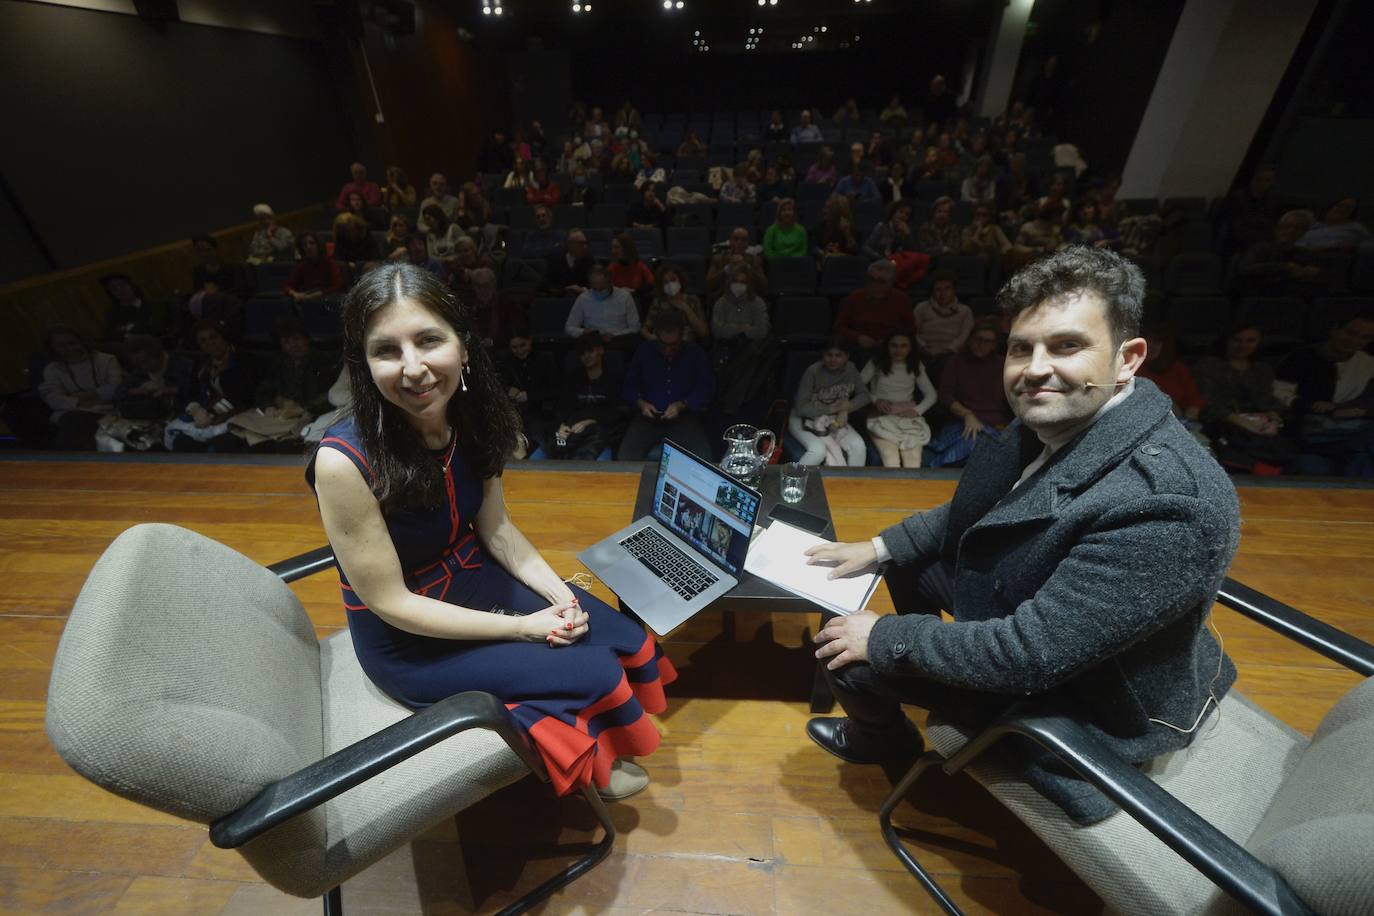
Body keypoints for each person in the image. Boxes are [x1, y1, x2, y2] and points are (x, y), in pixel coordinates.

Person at [802, 247, 1241, 827]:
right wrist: (879, 549)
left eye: (1066, 345)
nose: (1034, 368)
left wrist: (887, 638)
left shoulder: (1165, 503)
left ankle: (886, 739)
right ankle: (940, 673)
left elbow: (1029, 656)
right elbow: (974, 514)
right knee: (904, 564)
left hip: (1090, 701)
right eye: (1020, 348)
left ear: (1129, 358)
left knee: (844, 657)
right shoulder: (1064, 416)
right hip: (1036, 617)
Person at [308, 262, 673, 799]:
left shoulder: (474, 416)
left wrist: (558, 596)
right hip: (408, 640)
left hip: (472, 575)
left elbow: (497, 529)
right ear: (364, 364)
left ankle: (589, 738)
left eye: (429, 340)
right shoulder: (342, 462)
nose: (413, 369)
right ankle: (585, 758)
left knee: (622, 636)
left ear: (464, 346)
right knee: (591, 669)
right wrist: (525, 628)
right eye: (386, 351)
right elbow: (392, 604)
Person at [1276, 312, 1374, 476]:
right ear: (1335, 329)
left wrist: (1356, 410)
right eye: (1350, 333)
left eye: (1364, 337)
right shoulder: (1302, 357)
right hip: (1312, 429)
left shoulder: (1368, 364)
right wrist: (1314, 407)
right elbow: (1279, 393)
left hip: (1352, 428)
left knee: (1363, 455)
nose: (1354, 341)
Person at [1192, 324, 1293, 472]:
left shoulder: (1262, 369)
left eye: (1250, 341)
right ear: (1226, 341)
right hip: (1223, 424)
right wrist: (1240, 421)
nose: (1243, 346)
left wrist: (1274, 421)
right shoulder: (1208, 366)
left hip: (1260, 424)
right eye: (1237, 340)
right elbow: (1208, 403)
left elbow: (1268, 400)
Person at [619, 311, 715, 460]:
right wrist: (641, 403)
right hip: (647, 417)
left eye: (674, 345)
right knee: (625, 457)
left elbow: (706, 387)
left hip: (683, 417)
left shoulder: (695, 353)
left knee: (704, 458)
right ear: (656, 336)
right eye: (664, 345)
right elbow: (629, 386)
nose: (668, 350)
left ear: (682, 336)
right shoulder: (644, 351)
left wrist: (682, 405)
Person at [926, 321, 1012, 468]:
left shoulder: (1004, 364)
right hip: (961, 423)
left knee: (982, 444)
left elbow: (1012, 399)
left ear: (994, 345)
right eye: (978, 339)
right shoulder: (956, 361)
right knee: (972, 442)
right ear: (970, 339)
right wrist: (967, 414)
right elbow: (945, 395)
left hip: (994, 425)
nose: (981, 344)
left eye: (987, 341)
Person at [789, 336, 871, 467]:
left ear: (847, 356)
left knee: (858, 446)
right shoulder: (813, 371)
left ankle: (852, 485)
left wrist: (847, 407)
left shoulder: (851, 369)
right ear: (823, 355)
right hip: (804, 419)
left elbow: (865, 396)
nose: (833, 359)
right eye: (829, 355)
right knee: (818, 451)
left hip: (833, 420)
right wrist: (832, 409)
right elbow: (801, 407)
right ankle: (792, 482)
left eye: (838, 355)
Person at [38, 326, 123, 450]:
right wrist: (81, 402)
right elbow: (53, 398)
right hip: (70, 412)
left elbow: (117, 387)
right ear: (53, 348)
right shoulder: (52, 369)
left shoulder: (107, 360)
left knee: (75, 425)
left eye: (72, 343)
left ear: (81, 341)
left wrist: (81, 396)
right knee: (72, 421)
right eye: (61, 346)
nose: (69, 348)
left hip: (105, 410)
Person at [861, 330, 938, 468]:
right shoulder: (876, 363)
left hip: (907, 418)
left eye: (904, 346)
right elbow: (857, 386)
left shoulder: (915, 365)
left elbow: (931, 394)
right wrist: (875, 400)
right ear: (887, 346)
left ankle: (910, 490)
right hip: (882, 418)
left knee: (914, 460)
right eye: (894, 345)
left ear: (910, 348)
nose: (898, 350)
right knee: (890, 458)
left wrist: (917, 410)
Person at [549, 335, 629, 460]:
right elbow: (563, 406)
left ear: (600, 351)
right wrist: (562, 425)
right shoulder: (573, 377)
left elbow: (618, 411)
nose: (586, 356)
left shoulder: (613, 379)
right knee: (557, 443)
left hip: (603, 430)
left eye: (590, 351)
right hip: (573, 429)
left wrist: (590, 421)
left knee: (592, 444)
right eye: (582, 353)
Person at [254, 318, 339, 431]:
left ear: (306, 339)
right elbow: (264, 391)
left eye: (296, 339)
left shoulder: (324, 362)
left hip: (313, 416)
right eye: (286, 342)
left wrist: (303, 408)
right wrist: (268, 406)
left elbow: (331, 395)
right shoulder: (279, 363)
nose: (293, 345)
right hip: (281, 416)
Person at [833, 260, 917, 355]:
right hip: (857, 348)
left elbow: (910, 330)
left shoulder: (901, 299)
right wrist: (858, 337)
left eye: (882, 281)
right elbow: (839, 328)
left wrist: (890, 340)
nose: (875, 285)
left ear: (892, 282)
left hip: (891, 350)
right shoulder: (855, 297)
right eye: (872, 279)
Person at [494, 329, 556, 458]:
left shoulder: (545, 359)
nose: (520, 350)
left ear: (530, 341)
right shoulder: (504, 360)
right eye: (515, 347)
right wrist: (508, 389)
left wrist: (530, 395)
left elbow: (555, 389)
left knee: (540, 440)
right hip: (513, 412)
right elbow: (496, 386)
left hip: (539, 412)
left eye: (523, 345)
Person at [1137, 324, 1204, 425]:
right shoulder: (1128, 368)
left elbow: (1194, 401)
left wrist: (1190, 415)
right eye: (1146, 340)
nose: (1150, 346)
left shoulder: (1178, 369)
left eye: (1156, 341)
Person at [913, 270, 975, 373]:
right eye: (938, 289)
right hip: (925, 352)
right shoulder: (921, 308)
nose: (943, 293)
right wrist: (923, 347)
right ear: (932, 291)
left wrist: (949, 350)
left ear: (954, 290)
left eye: (947, 288)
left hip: (952, 352)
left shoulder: (965, 310)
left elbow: (964, 335)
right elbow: (913, 332)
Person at [565, 265, 641, 344]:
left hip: (619, 341)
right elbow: (569, 328)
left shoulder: (624, 297)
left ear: (610, 283)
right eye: (595, 289)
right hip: (593, 343)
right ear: (590, 285)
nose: (598, 292)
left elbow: (635, 327)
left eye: (602, 289)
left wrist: (614, 335)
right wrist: (584, 332)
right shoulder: (583, 298)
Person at [642, 264, 709, 343]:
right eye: (665, 282)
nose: (670, 284)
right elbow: (645, 329)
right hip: (661, 344)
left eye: (673, 279)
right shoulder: (658, 302)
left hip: (685, 345)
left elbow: (703, 333)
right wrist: (652, 338)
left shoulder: (693, 300)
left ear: (680, 280)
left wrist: (686, 308)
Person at [464, 268, 525, 349]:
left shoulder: (507, 303)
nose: (483, 290)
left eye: (486, 285)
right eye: (478, 286)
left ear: (494, 284)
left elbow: (516, 329)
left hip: (504, 348)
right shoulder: (469, 305)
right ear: (473, 287)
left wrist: (493, 341)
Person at [101, 274, 171, 342]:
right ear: (111, 293)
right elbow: (109, 336)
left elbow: (158, 327)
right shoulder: (113, 314)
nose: (120, 290)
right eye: (114, 288)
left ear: (132, 286)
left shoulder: (154, 305)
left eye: (122, 285)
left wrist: (129, 328)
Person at [708, 227, 768, 299]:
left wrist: (747, 267)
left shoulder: (755, 260)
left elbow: (763, 287)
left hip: (748, 299)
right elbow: (709, 285)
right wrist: (727, 268)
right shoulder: (718, 259)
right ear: (730, 241)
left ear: (748, 243)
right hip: (724, 298)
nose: (739, 242)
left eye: (744, 240)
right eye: (736, 239)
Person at [1296, 197, 1372, 252]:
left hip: (1336, 259)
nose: (1343, 209)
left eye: (1348, 208)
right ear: (1332, 206)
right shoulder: (1312, 224)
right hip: (1303, 254)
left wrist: (1350, 248)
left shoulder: (1355, 226)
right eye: (1341, 205)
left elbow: (1370, 245)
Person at [285, 232, 343, 301]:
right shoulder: (303, 266)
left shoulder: (330, 263)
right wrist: (295, 293)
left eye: (311, 243)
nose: (308, 247)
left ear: (318, 245)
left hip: (327, 299)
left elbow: (337, 286)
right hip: (308, 298)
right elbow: (289, 285)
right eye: (304, 244)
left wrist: (319, 294)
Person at [544, 230, 594, 295]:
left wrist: (582, 290)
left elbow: (593, 284)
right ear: (569, 244)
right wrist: (564, 290)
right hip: (560, 299)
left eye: (585, 243)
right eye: (580, 244)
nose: (585, 247)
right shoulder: (555, 261)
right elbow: (548, 283)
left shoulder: (589, 260)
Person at [812, 195, 859, 262]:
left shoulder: (850, 228)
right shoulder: (820, 227)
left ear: (837, 210)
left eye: (828, 208)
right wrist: (823, 253)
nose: (823, 211)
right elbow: (814, 248)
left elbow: (854, 254)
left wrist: (847, 233)